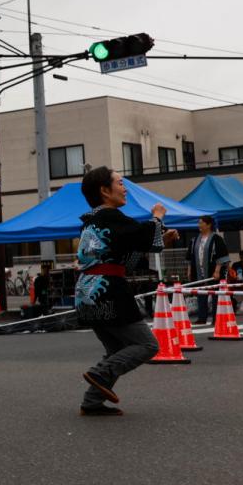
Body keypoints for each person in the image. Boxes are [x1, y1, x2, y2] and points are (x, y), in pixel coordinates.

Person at [75, 167, 178, 417]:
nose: (125, 188)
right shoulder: (111, 216)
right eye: (120, 183)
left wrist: (159, 242)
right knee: (147, 345)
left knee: (116, 349)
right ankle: (100, 374)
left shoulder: (92, 221)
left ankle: (92, 401)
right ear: (104, 191)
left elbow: (125, 258)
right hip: (108, 290)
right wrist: (157, 218)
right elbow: (143, 236)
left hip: (88, 293)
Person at [186, 215, 228, 325]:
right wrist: (189, 270)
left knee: (215, 295)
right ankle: (202, 318)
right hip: (199, 271)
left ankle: (216, 318)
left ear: (208, 224)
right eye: (198, 223)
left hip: (212, 271)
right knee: (201, 294)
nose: (199, 225)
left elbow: (221, 255)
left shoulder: (216, 238)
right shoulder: (194, 240)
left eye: (201, 223)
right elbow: (190, 257)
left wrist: (217, 270)